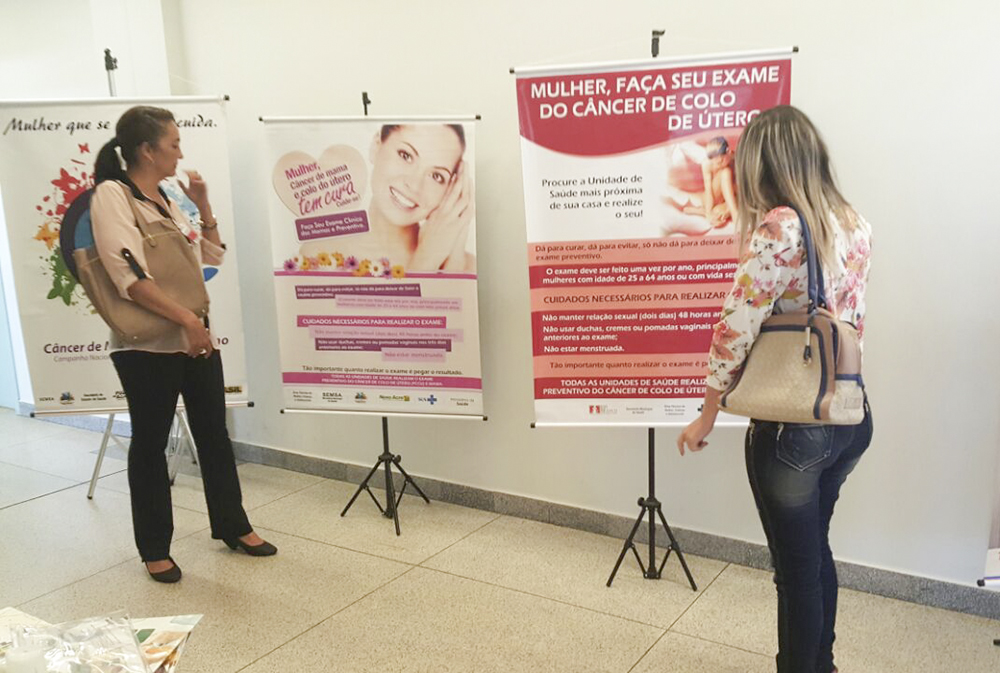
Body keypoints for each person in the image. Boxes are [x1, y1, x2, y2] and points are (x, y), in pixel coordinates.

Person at [677, 106, 873, 673]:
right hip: (848, 413)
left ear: (763, 165)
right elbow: (851, 322)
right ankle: (822, 664)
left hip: (794, 432)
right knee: (815, 552)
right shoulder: (853, 222)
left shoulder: (782, 226)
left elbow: (734, 327)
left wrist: (707, 414)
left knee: (795, 572)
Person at [90, 106, 275, 584]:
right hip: (149, 345)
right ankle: (155, 548)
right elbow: (128, 278)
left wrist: (203, 205)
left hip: (194, 333)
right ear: (147, 150)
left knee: (213, 433)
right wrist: (187, 320)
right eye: (173, 143)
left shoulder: (168, 197)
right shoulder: (113, 195)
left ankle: (233, 525)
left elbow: (210, 257)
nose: (180, 151)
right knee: (151, 443)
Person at [299, 123, 475, 273]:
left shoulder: (465, 267)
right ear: (376, 147)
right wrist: (425, 261)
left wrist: (455, 260)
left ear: (451, 188)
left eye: (436, 176)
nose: (414, 185)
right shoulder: (321, 255)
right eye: (406, 156)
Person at [661, 136, 737, 237]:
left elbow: (740, 189)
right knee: (725, 172)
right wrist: (709, 214)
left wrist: (728, 209)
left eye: (722, 159)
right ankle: (706, 211)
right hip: (712, 198)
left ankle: (701, 211)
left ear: (728, 152)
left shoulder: (736, 160)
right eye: (715, 161)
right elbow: (709, 191)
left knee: (718, 212)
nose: (718, 163)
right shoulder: (707, 164)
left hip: (729, 197)